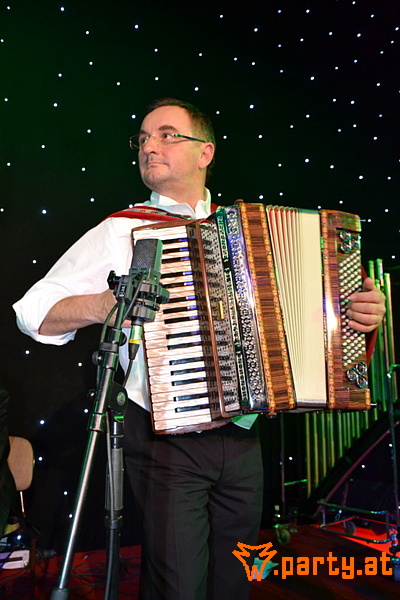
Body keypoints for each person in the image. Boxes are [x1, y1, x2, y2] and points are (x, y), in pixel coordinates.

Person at [13, 98, 386, 599]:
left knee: (236, 579)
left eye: (167, 135)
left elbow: (313, 318)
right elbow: (33, 311)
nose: (150, 146)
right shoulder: (122, 229)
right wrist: (105, 303)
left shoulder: (248, 231)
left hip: (244, 437)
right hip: (166, 436)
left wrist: (357, 315)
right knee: (178, 585)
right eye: (143, 138)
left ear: (205, 152)